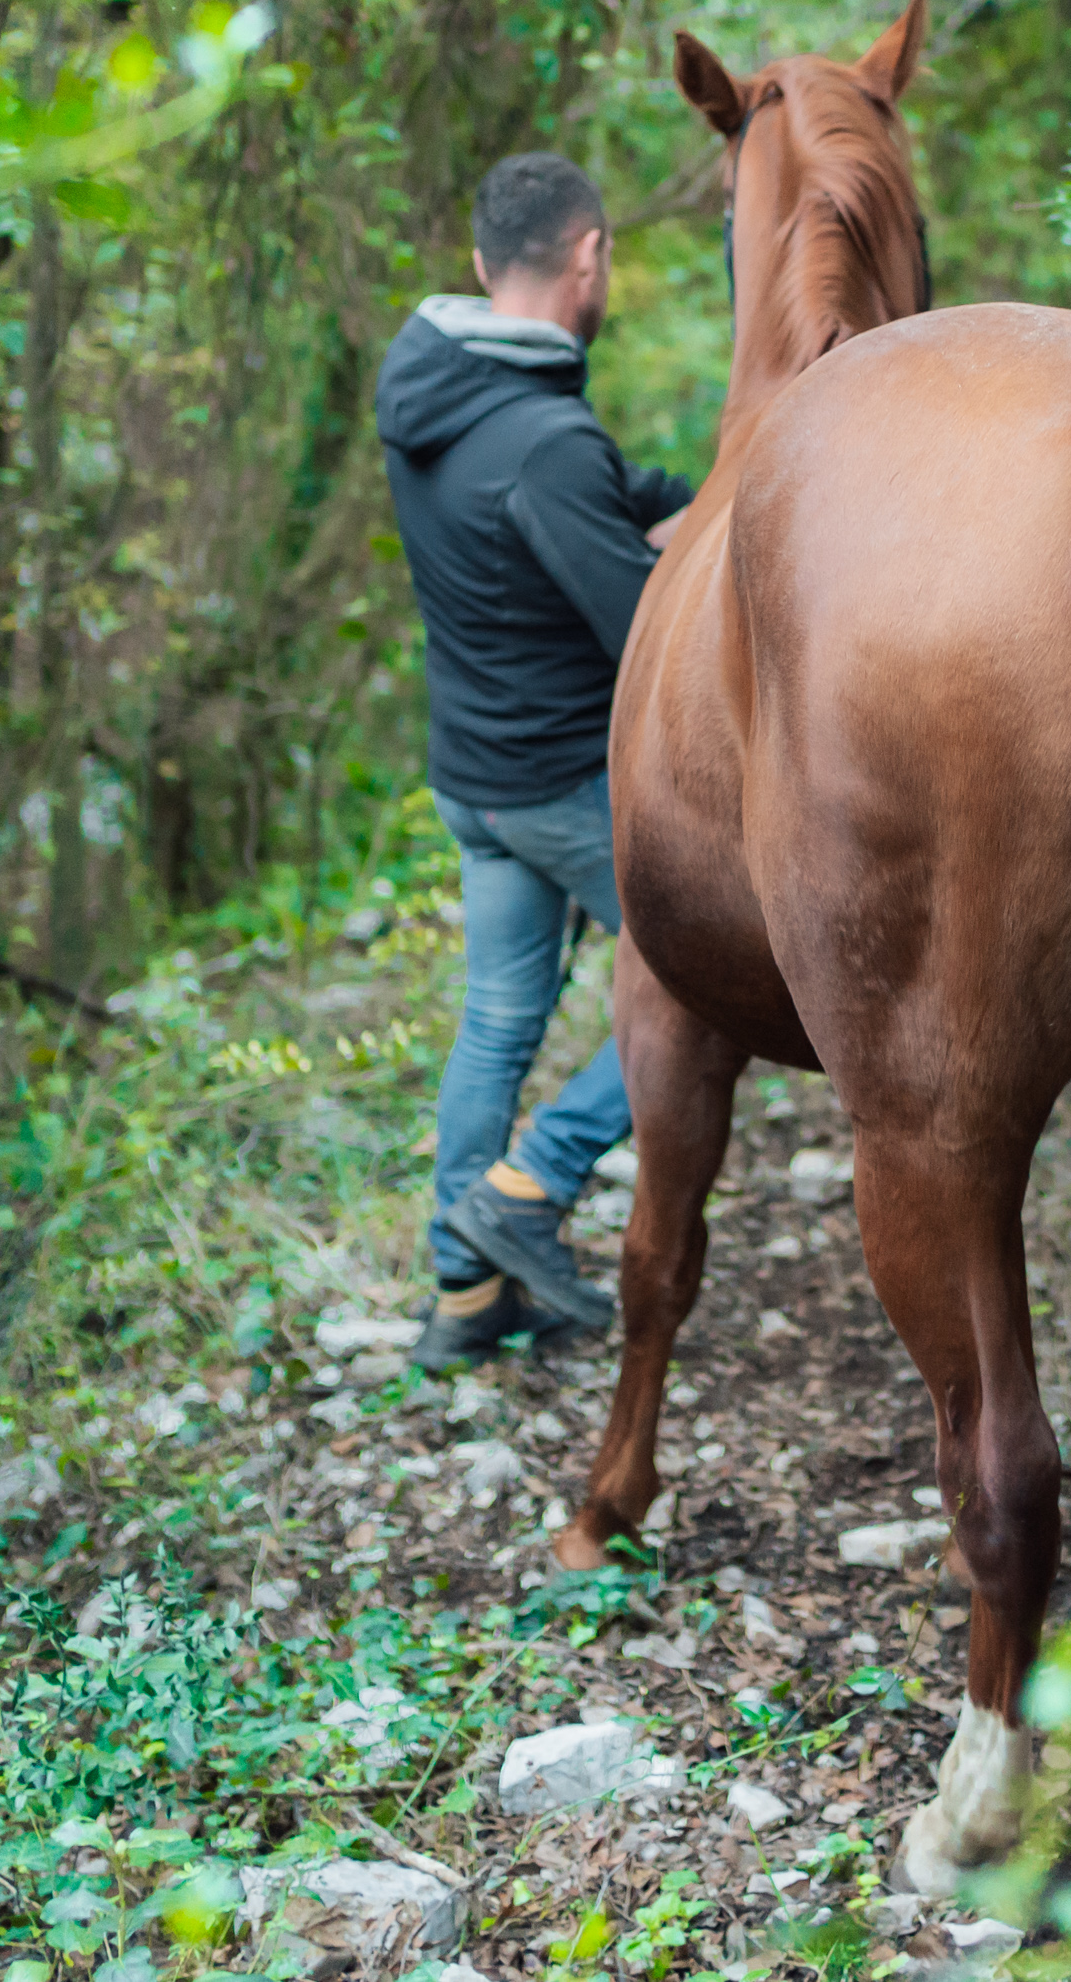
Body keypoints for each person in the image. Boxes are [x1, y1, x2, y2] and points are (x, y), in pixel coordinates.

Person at [372, 152, 696, 1371]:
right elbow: (646, 629)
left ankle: (461, 1298)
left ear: (478, 264)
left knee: (498, 1021)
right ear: (591, 256)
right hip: (563, 786)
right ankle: (530, 1185)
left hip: (472, 777)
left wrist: (705, 495)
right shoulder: (544, 437)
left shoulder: (438, 389)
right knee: (709, 986)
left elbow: (590, 493)